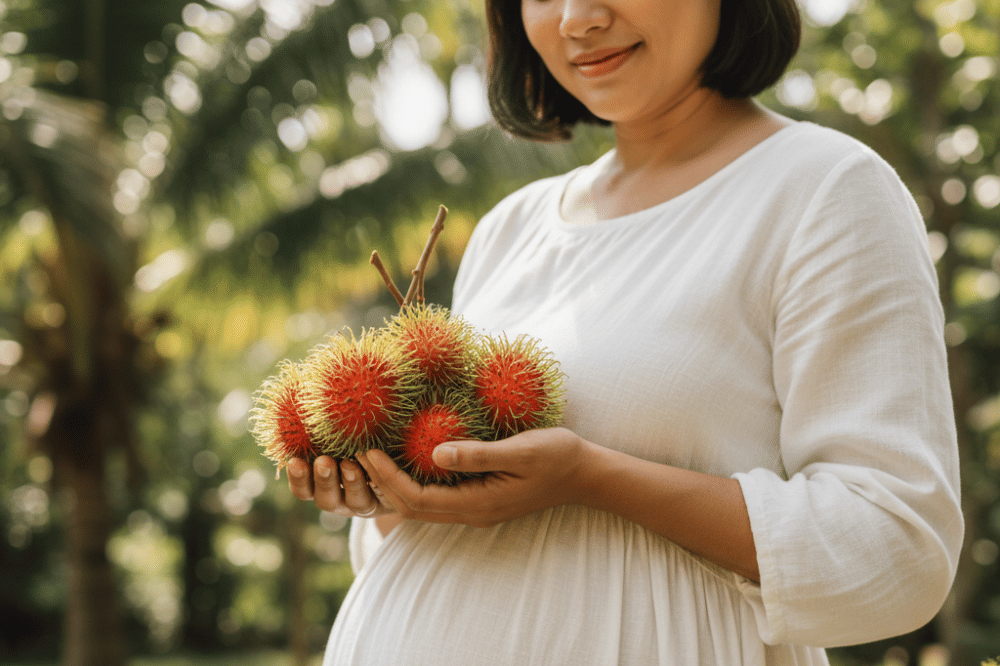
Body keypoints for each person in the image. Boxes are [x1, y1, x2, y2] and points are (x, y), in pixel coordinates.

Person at [286, 0, 964, 662]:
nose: (577, 18)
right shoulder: (511, 227)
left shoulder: (827, 189)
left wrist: (593, 478)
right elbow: (444, 520)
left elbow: (898, 549)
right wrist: (387, 488)